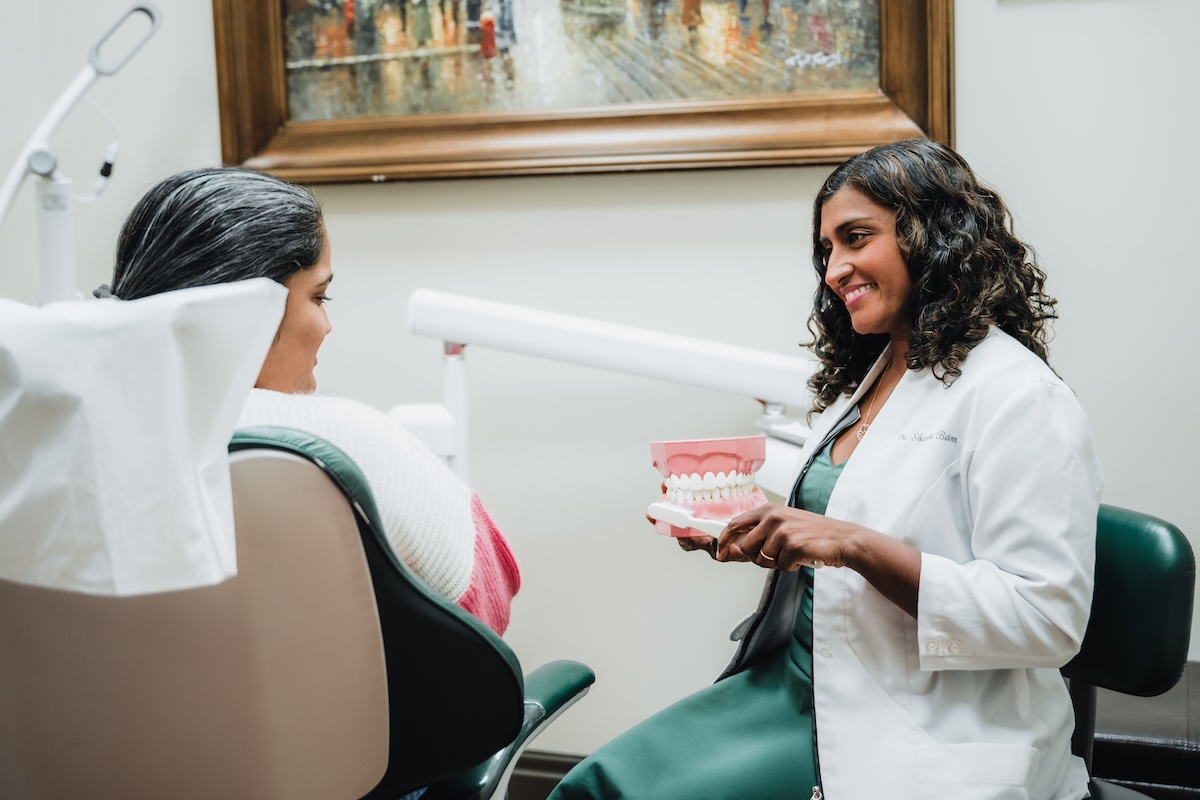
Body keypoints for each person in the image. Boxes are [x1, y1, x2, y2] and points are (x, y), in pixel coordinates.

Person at [548, 139, 1102, 800]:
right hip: (797, 684)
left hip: (919, 719)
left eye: (856, 238)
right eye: (827, 250)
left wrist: (851, 545)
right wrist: (757, 534)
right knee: (593, 787)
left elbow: (1048, 620)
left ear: (935, 237)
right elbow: (842, 527)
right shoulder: (876, 374)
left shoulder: (1019, 396)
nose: (836, 269)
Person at [97, 166, 520, 636]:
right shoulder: (345, 442)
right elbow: (483, 601)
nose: (327, 325)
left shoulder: (81, 430)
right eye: (320, 296)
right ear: (248, 310)